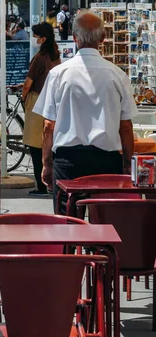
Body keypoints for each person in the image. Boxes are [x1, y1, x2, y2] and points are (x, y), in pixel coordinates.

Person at [33, 12, 138, 211]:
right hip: (107, 160)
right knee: (105, 223)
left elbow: (48, 126)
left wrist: (46, 163)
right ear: (102, 38)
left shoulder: (58, 74)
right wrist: (126, 163)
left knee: (68, 224)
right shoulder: (117, 75)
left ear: (74, 38)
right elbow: (125, 127)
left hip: (68, 161)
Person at [19, 22, 61, 196]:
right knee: (50, 144)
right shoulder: (55, 56)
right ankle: (54, 182)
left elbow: (28, 83)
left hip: (37, 101)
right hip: (53, 101)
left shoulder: (39, 57)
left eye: (35, 36)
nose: (34, 39)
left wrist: (22, 96)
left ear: (42, 38)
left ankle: (41, 185)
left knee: (35, 145)